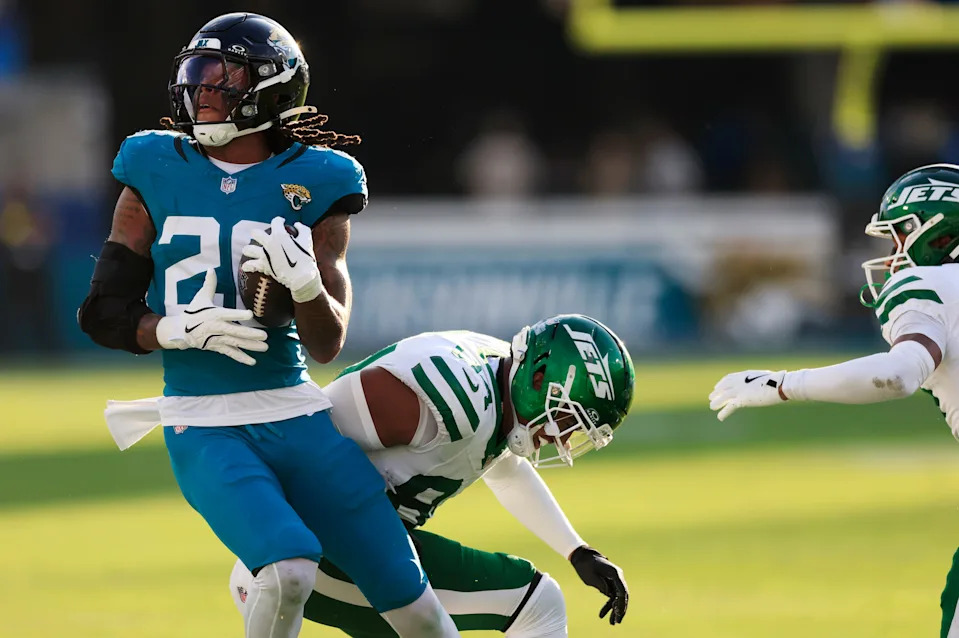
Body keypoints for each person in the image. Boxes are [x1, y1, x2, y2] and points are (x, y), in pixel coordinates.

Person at [78, 12, 458, 638]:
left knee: (418, 611)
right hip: (203, 420)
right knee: (287, 570)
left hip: (295, 412)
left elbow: (328, 342)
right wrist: (171, 330)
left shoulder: (319, 181)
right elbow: (102, 313)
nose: (201, 90)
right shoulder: (153, 166)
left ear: (271, 87)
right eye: (195, 74)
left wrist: (306, 284)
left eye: (219, 75)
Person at [228, 314, 636, 636]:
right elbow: (306, 432)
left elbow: (505, 468)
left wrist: (576, 550)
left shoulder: (496, 380)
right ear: (538, 380)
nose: (563, 439)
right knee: (538, 604)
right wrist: (274, 551)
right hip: (324, 557)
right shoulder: (448, 394)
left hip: (363, 554)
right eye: (566, 420)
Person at [708, 163, 959, 638]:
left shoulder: (934, 288)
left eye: (900, 236)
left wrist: (784, 384)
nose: (892, 254)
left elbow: (897, 374)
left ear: (942, 236)